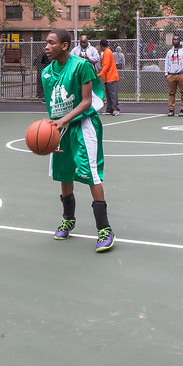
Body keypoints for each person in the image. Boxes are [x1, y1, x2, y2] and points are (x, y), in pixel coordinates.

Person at [40, 28, 114, 253]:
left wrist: (63, 120)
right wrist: (52, 131)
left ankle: (104, 229)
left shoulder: (81, 66)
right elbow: (53, 106)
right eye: (46, 43)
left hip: (83, 125)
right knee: (64, 173)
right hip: (60, 127)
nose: (46, 47)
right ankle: (68, 219)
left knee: (90, 173)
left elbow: (86, 101)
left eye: (51, 43)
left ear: (64, 45)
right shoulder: (45, 73)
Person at [164, 35, 183, 116]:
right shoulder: (169, 52)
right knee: (171, 93)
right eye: (173, 40)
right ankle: (171, 109)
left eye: (176, 40)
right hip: (171, 74)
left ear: (179, 40)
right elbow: (166, 62)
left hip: (182, 74)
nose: (174, 41)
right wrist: (166, 74)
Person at [99, 38, 120, 116]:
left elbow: (106, 65)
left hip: (112, 77)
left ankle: (115, 109)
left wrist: (100, 75)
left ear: (101, 45)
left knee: (112, 94)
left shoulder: (107, 52)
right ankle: (109, 109)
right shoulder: (106, 52)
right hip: (108, 77)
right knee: (108, 94)